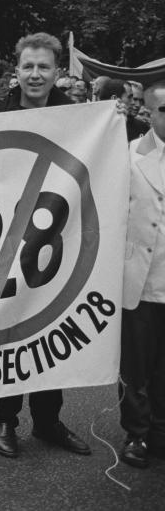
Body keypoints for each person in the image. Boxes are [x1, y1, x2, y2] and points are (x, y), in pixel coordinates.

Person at [0, 32, 90, 458]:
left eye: (44, 67)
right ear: (16, 70)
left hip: (56, 237)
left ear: (58, 72)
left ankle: (48, 421)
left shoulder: (79, 116)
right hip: (6, 239)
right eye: (28, 66)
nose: (35, 74)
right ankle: (4, 420)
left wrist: (122, 115)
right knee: (12, 330)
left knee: (50, 328)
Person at [120, 79, 165, 469]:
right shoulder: (130, 155)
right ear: (148, 113)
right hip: (140, 278)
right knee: (136, 365)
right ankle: (136, 433)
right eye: (163, 109)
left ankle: (160, 431)